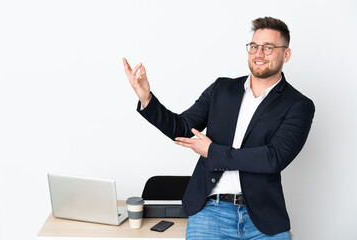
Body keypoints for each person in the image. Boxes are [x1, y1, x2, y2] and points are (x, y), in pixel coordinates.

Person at [123, 16, 315, 240]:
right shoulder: (221, 89)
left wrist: (213, 152)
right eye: (254, 46)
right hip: (211, 211)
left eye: (268, 47)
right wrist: (147, 99)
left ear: (286, 54)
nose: (259, 53)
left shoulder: (299, 105)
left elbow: (272, 158)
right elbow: (183, 128)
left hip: (263, 217)